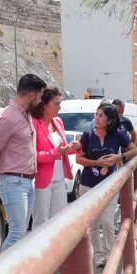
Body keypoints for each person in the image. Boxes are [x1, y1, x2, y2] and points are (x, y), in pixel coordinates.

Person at [0, 73, 46, 251]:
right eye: (40, 97)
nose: (41, 101)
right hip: (13, 182)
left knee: (20, 234)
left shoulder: (25, 114)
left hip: (25, 182)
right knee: (16, 234)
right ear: (32, 96)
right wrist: (1, 177)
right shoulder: (8, 117)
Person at [76, 104, 137, 267]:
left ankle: (110, 253)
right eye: (96, 115)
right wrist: (95, 162)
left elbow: (135, 150)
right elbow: (79, 159)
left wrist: (120, 156)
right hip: (88, 185)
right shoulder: (87, 135)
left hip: (110, 184)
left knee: (108, 222)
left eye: (101, 116)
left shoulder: (117, 135)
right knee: (94, 223)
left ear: (110, 120)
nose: (97, 118)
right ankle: (98, 255)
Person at [31, 87, 81, 228]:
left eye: (60, 103)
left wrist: (74, 148)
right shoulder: (34, 123)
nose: (60, 107)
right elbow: (31, 155)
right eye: (56, 104)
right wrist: (55, 154)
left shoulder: (58, 121)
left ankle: (55, 250)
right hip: (41, 181)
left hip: (59, 180)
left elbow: (62, 149)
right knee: (40, 224)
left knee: (59, 223)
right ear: (44, 105)